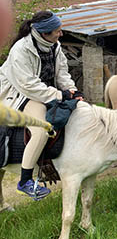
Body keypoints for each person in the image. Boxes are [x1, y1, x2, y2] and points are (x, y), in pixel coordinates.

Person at [0, 11, 83, 200]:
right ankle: (26, 181)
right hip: (20, 94)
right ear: (44, 33)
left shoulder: (55, 46)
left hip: (44, 92)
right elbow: (28, 85)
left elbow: (62, 74)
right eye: (57, 31)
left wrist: (73, 91)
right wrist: (60, 95)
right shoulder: (20, 50)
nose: (61, 34)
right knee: (41, 130)